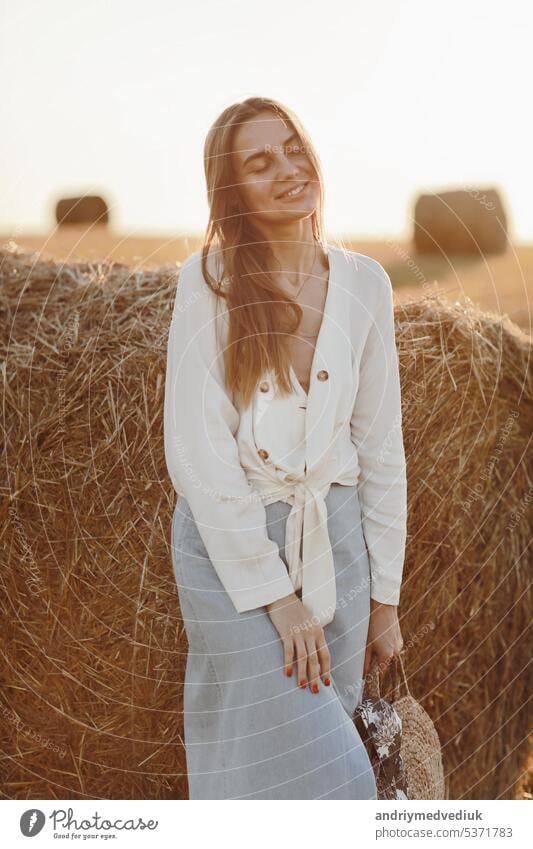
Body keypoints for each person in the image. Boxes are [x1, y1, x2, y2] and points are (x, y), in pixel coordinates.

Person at [164, 96, 407, 799]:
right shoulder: (208, 282)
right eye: (260, 162)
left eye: (293, 148)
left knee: (332, 739)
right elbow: (197, 452)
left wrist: (384, 599)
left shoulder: (366, 283)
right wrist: (278, 599)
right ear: (231, 188)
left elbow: (380, 448)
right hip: (231, 558)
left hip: (338, 548)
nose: (287, 170)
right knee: (328, 780)